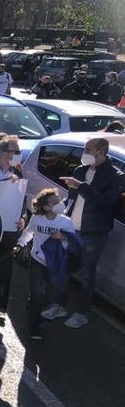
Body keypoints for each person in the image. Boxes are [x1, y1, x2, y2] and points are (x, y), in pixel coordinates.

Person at [58, 137, 125, 328]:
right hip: (71, 230)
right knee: (62, 269)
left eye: (88, 149)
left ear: (100, 152)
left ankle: (82, 313)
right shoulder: (80, 170)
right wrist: (58, 211)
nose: (84, 152)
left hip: (93, 236)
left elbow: (105, 204)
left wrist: (81, 186)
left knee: (87, 275)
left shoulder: (115, 176)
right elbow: (71, 200)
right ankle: (59, 305)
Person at [14, 189, 76, 340]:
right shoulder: (36, 219)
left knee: (49, 296)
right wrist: (19, 245)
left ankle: (37, 313)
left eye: (59, 201)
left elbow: (73, 244)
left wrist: (63, 237)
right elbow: (28, 233)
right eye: (55, 202)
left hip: (55, 265)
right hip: (37, 261)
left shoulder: (66, 222)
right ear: (46, 207)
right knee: (37, 294)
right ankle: (33, 327)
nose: (60, 204)